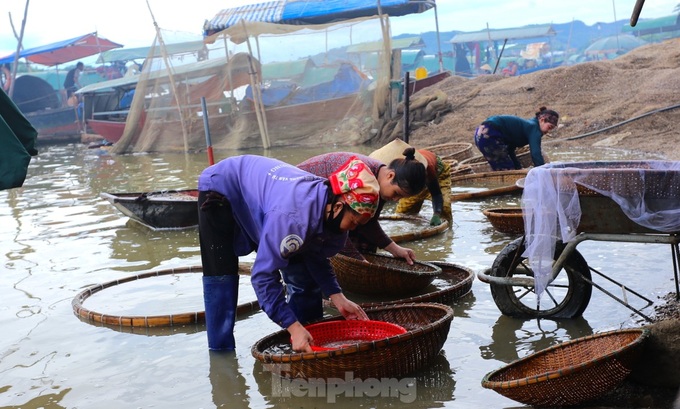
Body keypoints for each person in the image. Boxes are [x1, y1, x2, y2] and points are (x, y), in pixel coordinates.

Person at [197, 155, 380, 353]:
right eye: (353, 222)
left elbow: (317, 255)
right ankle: (221, 354)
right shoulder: (293, 219)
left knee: (303, 274)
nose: (351, 229)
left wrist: (338, 297)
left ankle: (306, 338)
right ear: (337, 207)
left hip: (266, 196)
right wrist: (292, 326)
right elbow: (263, 277)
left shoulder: (330, 212)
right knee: (222, 277)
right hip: (221, 188)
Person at [297, 149, 427, 264]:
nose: (395, 199)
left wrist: (394, 249)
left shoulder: (378, 187)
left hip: (324, 210)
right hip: (300, 200)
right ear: (390, 176)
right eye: (396, 193)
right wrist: (358, 260)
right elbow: (338, 226)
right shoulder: (358, 178)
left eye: (401, 198)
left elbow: (367, 222)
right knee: (301, 266)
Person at [370, 139, 452, 227]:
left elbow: (436, 194)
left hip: (438, 174)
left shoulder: (428, 169)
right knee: (404, 212)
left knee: (444, 210)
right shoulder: (387, 169)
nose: (396, 199)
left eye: (397, 194)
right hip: (408, 182)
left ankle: (448, 231)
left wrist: (437, 214)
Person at [473, 106, 559, 171]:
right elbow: (536, 154)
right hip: (490, 133)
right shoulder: (534, 128)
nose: (548, 131)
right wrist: (543, 172)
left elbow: (509, 150)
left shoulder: (525, 127)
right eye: (549, 127)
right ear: (542, 120)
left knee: (504, 167)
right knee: (506, 170)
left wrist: (518, 167)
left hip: (480, 133)